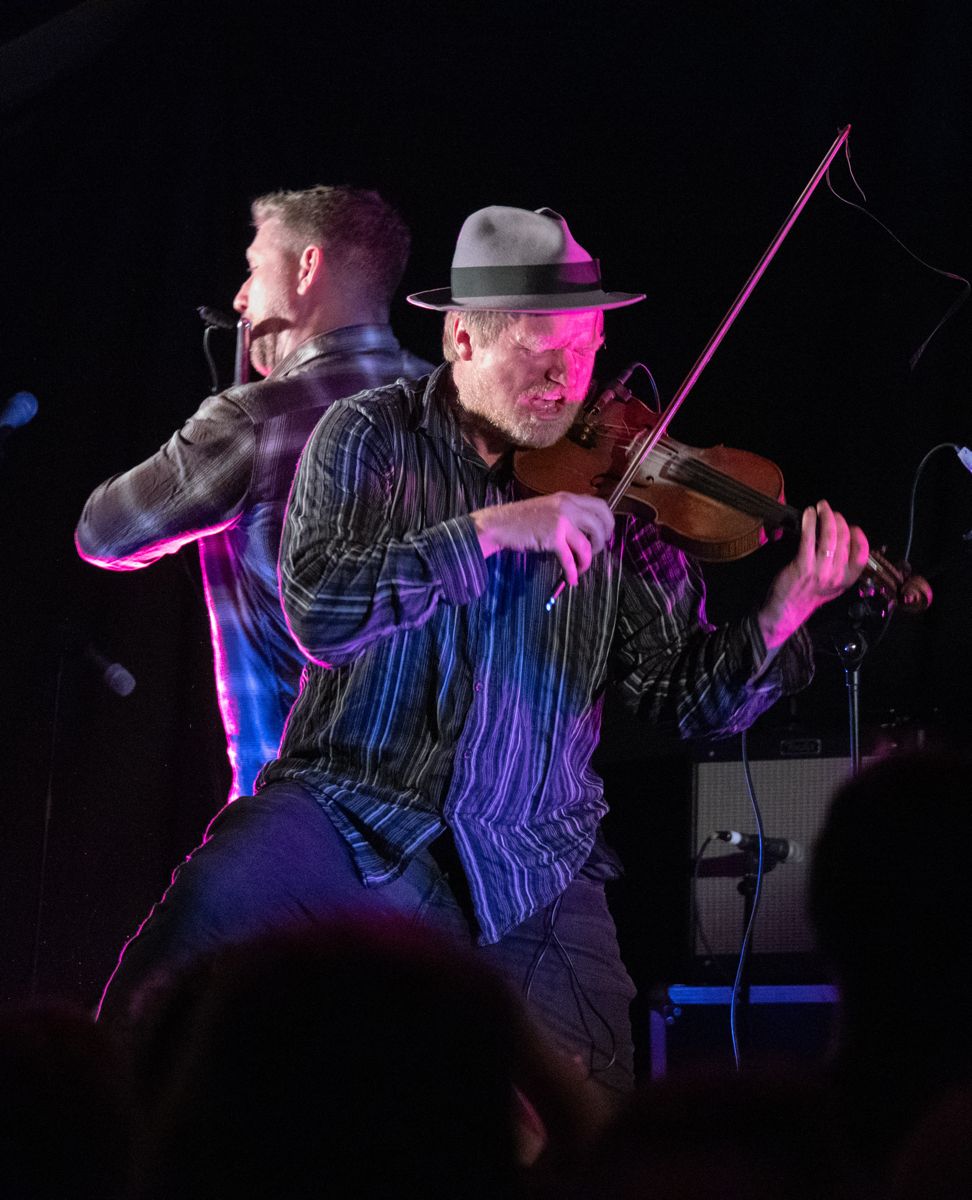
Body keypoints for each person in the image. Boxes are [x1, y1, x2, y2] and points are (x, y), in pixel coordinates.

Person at [97, 205, 868, 1093]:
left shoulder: (624, 490)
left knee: (597, 1104)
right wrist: (492, 531)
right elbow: (319, 612)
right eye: (540, 352)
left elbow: (683, 696)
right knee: (178, 957)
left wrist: (782, 612)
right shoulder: (367, 435)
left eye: (584, 350)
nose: (569, 380)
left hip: (531, 854)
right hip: (348, 811)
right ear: (462, 337)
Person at [75, 186, 432, 798]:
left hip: (304, 814)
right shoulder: (453, 404)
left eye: (253, 267)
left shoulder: (256, 420)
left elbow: (103, 534)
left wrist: (205, 438)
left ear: (307, 267)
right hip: (454, 816)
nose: (240, 298)